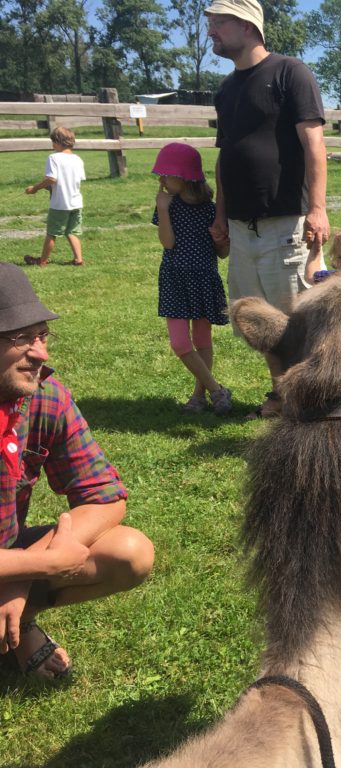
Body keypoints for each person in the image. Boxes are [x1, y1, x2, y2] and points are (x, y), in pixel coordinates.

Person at [0, 264, 154, 679]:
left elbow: (105, 497)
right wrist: (33, 567)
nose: (41, 353)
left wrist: (24, 571)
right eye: (20, 338)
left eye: (42, 335)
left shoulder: (45, 398)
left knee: (129, 552)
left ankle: (18, 619)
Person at [204, 0, 330, 419]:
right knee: (259, 321)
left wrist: (317, 209)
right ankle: (282, 395)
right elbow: (225, 157)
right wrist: (220, 215)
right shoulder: (226, 89)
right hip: (242, 229)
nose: (211, 31)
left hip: (286, 224)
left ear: (247, 24)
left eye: (219, 22)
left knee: (297, 321)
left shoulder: (290, 73)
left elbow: (314, 144)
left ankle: (311, 400)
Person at [151, 142, 233, 416]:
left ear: (184, 176)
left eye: (166, 175)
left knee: (202, 340)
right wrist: (163, 210)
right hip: (174, 279)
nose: (161, 180)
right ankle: (216, 390)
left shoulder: (211, 210)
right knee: (179, 343)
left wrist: (222, 240)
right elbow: (168, 243)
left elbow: (222, 253)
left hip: (204, 279)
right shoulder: (168, 205)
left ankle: (199, 396)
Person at [24, 126, 86, 267]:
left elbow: (52, 179)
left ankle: (42, 261)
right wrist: (49, 187)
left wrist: (35, 188)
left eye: (53, 142)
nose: (52, 145)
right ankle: (78, 260)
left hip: (60, 204)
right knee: (71, 232)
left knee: (52, 233)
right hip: (76, 203)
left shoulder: (53, 158)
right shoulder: (77, 159)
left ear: (57, 142)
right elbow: (72, 180)